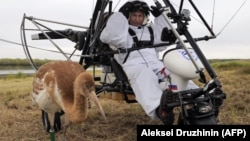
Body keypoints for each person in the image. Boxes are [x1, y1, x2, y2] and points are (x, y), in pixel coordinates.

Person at [100, 0, 193, 125]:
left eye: (140, 16)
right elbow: (108, 37)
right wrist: (120, 16)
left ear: (144, 17)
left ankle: (197, 98)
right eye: (134, 15)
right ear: (128, 16)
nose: (137, 19)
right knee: (145, 75)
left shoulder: (150, 30)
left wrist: (161, 19)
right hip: (133, 64)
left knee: (172, 73)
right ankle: (160, 110)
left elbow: (162, 42)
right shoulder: (121, 31)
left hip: (155, 62)